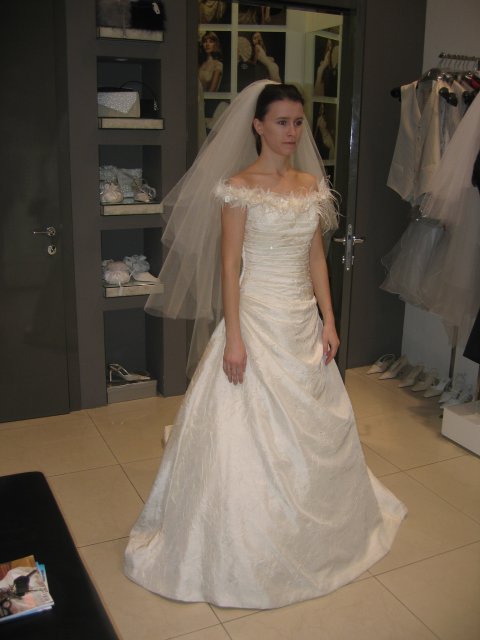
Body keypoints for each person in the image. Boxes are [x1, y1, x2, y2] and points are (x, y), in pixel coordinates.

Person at [124, 81, 407, 610]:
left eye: (298, 122)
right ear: (257, 125)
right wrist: (234, 337)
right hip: (255, 318)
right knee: (242, 430)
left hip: (301, 320)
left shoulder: (310, 185)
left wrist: (328, 318)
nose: (292, 132)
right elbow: (230, 266)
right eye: (281, 122)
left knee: (314, 426)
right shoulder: (239, 187)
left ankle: (316, 528)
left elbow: (316, 257)